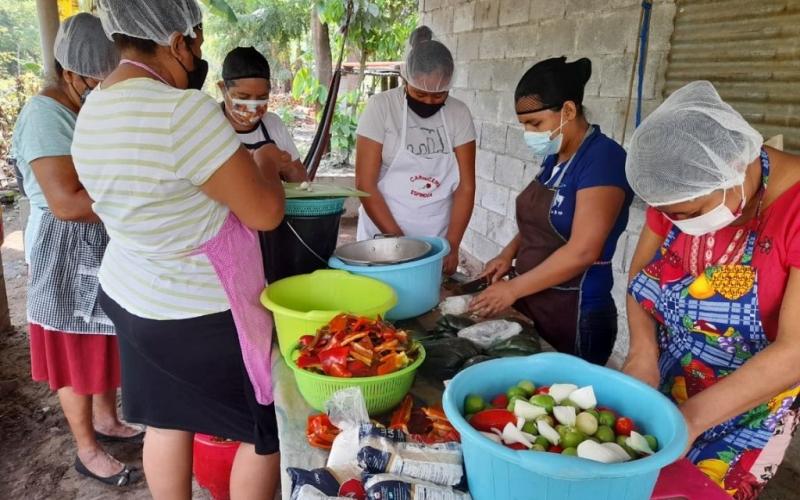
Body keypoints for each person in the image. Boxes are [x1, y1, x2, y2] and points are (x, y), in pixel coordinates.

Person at [73, 1, 285, 498]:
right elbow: (264, 213)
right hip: (199, 310)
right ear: (176, 41)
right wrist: (268, 164)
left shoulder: (93, 106)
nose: (199, 51)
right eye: (197, 39)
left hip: (131, 296)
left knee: (168, 422)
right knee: (264, 431)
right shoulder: (181, 111)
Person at [625, 81, 800, 498]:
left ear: (736, 170)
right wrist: (642, 352)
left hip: (749, 409)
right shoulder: (678, 189)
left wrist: (690, 420)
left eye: (687, 214)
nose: (674, 222)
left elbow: (795, 351)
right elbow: (639, 280)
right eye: (667, 215)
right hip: (666, 378)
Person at [10, 13, 140, 487]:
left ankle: (108, 420)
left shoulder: (82, 107)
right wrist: (139, 201)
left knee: (103, 335)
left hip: (96, 243)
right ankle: (87, 449)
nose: (100, 88)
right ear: (69, 73)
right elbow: (66, 202)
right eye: (94, 80)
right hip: (63, 252)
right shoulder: (45, 115)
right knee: (72, 347)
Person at [469, 57, 633, 365]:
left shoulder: (603, 160)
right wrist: (508, 254)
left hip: (575, 313)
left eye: (535, 123)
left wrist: (513, 289)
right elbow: (539, 221)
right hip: (536, 299)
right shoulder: (556, 158)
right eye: (524, 125)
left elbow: (583, 251)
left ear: (568, 111)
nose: (528, 133)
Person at [355, 26, 476, 275]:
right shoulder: (382, 107)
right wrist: (401, 245)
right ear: (406, 79)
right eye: (420, 93)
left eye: (438, 95)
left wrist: (452, 245)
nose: (429, 101)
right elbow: (365, 184)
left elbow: (466, 186)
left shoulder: (459, 113)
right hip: (383, 235)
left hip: (436, 237)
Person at [218, 46, 307, 182]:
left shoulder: (273, 124)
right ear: (223, 88)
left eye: (261, 97)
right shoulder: (209, 124)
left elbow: (302, 183)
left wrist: (287, 167)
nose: (253, 107)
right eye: (243, 97)